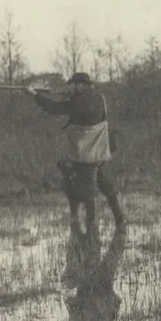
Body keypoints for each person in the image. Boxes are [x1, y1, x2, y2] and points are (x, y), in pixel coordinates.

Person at [25, 72, 128, 235]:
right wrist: (69, 95)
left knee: (88, 192)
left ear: (81, 85)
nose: (70, 87)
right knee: (107, 186)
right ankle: (120, 220)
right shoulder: (100, 98)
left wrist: (35, 95)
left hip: (86, 154)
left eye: (72, 85)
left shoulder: (76, 102)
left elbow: (54, 109)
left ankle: (92, 228)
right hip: (100, 151)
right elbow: (83, 106)